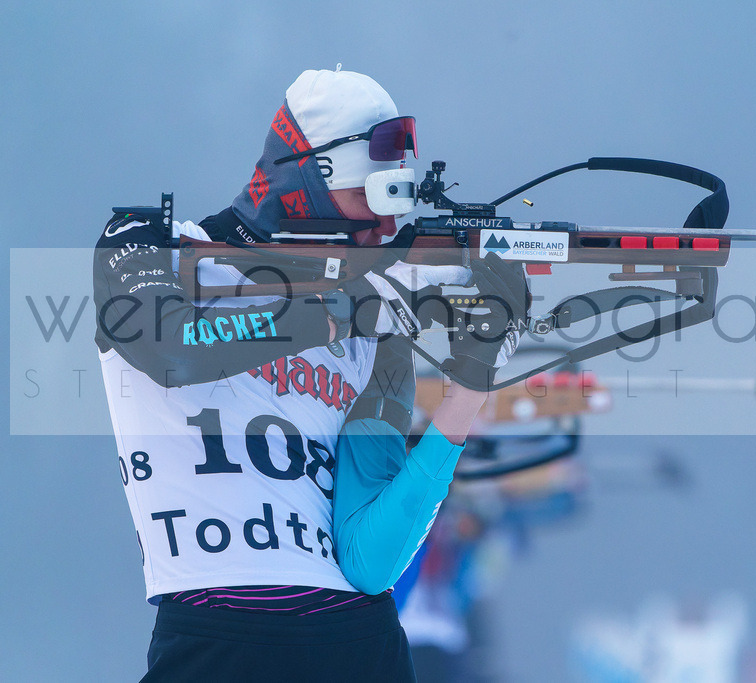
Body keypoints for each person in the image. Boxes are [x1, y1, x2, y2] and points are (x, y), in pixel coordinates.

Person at [93, 66, 528, 681]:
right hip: (215, 640)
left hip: (359, 642)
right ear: (305, 184)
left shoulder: (376, 313)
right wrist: (354, 308)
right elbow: (172, 350)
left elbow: (368, 560)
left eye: (395, 211)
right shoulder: (149, 243)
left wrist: (474, 379)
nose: (385, 230)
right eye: (367, 202)